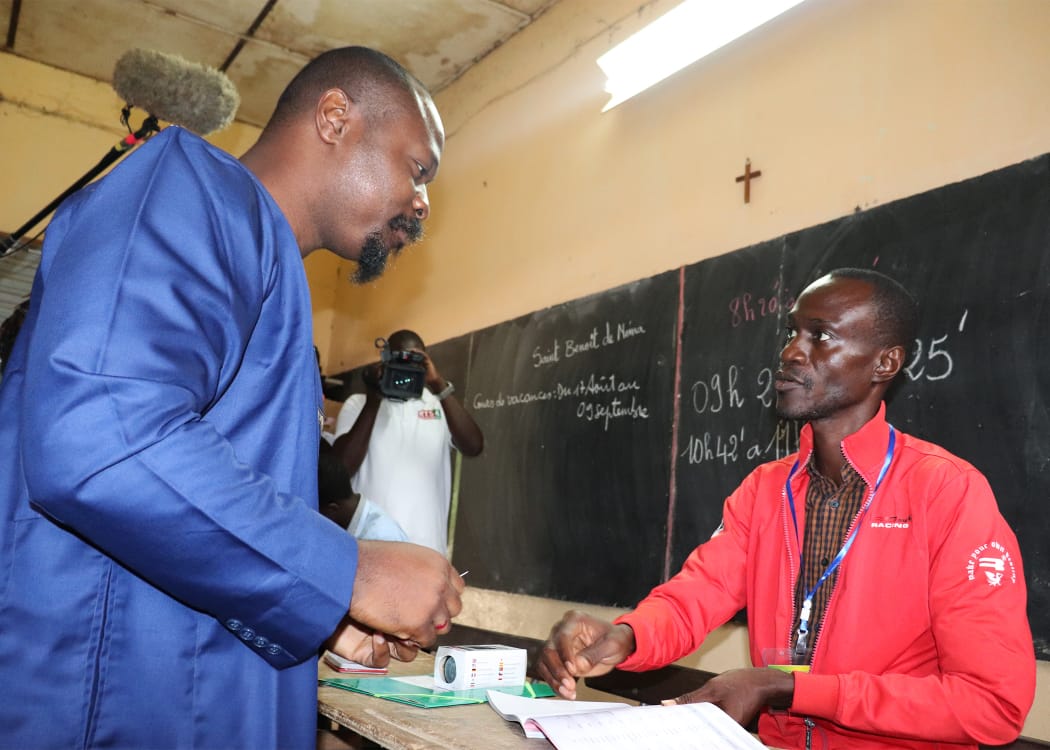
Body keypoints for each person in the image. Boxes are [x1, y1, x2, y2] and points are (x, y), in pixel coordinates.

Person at [0, 47, 466, 749]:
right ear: (336, 118)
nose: (424, 202)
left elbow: (192, 526)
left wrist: (315, 615)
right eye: (419, 168)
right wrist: (347, 571)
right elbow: (104, 441)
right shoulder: (188, 190)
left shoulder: (265, 273)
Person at [536, 269, 1035, 749]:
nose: (791, 351)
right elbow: (696, 595)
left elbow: (991, 704)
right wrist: (626, 636)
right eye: (793, 332)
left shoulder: (946, 492)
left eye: (820, 336)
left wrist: (792, 689)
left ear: (885, 364)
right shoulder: (765, 490)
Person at [332, 329, 484, 555]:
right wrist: (374, 399)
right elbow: (342, 469)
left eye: (415, 360)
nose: (406, 369)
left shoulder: (436, 404)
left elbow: (474, 446)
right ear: (385, 359)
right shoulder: (359, 404)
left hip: (427, 551)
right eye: (398, 359)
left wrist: (439, 385)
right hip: (370, 550)